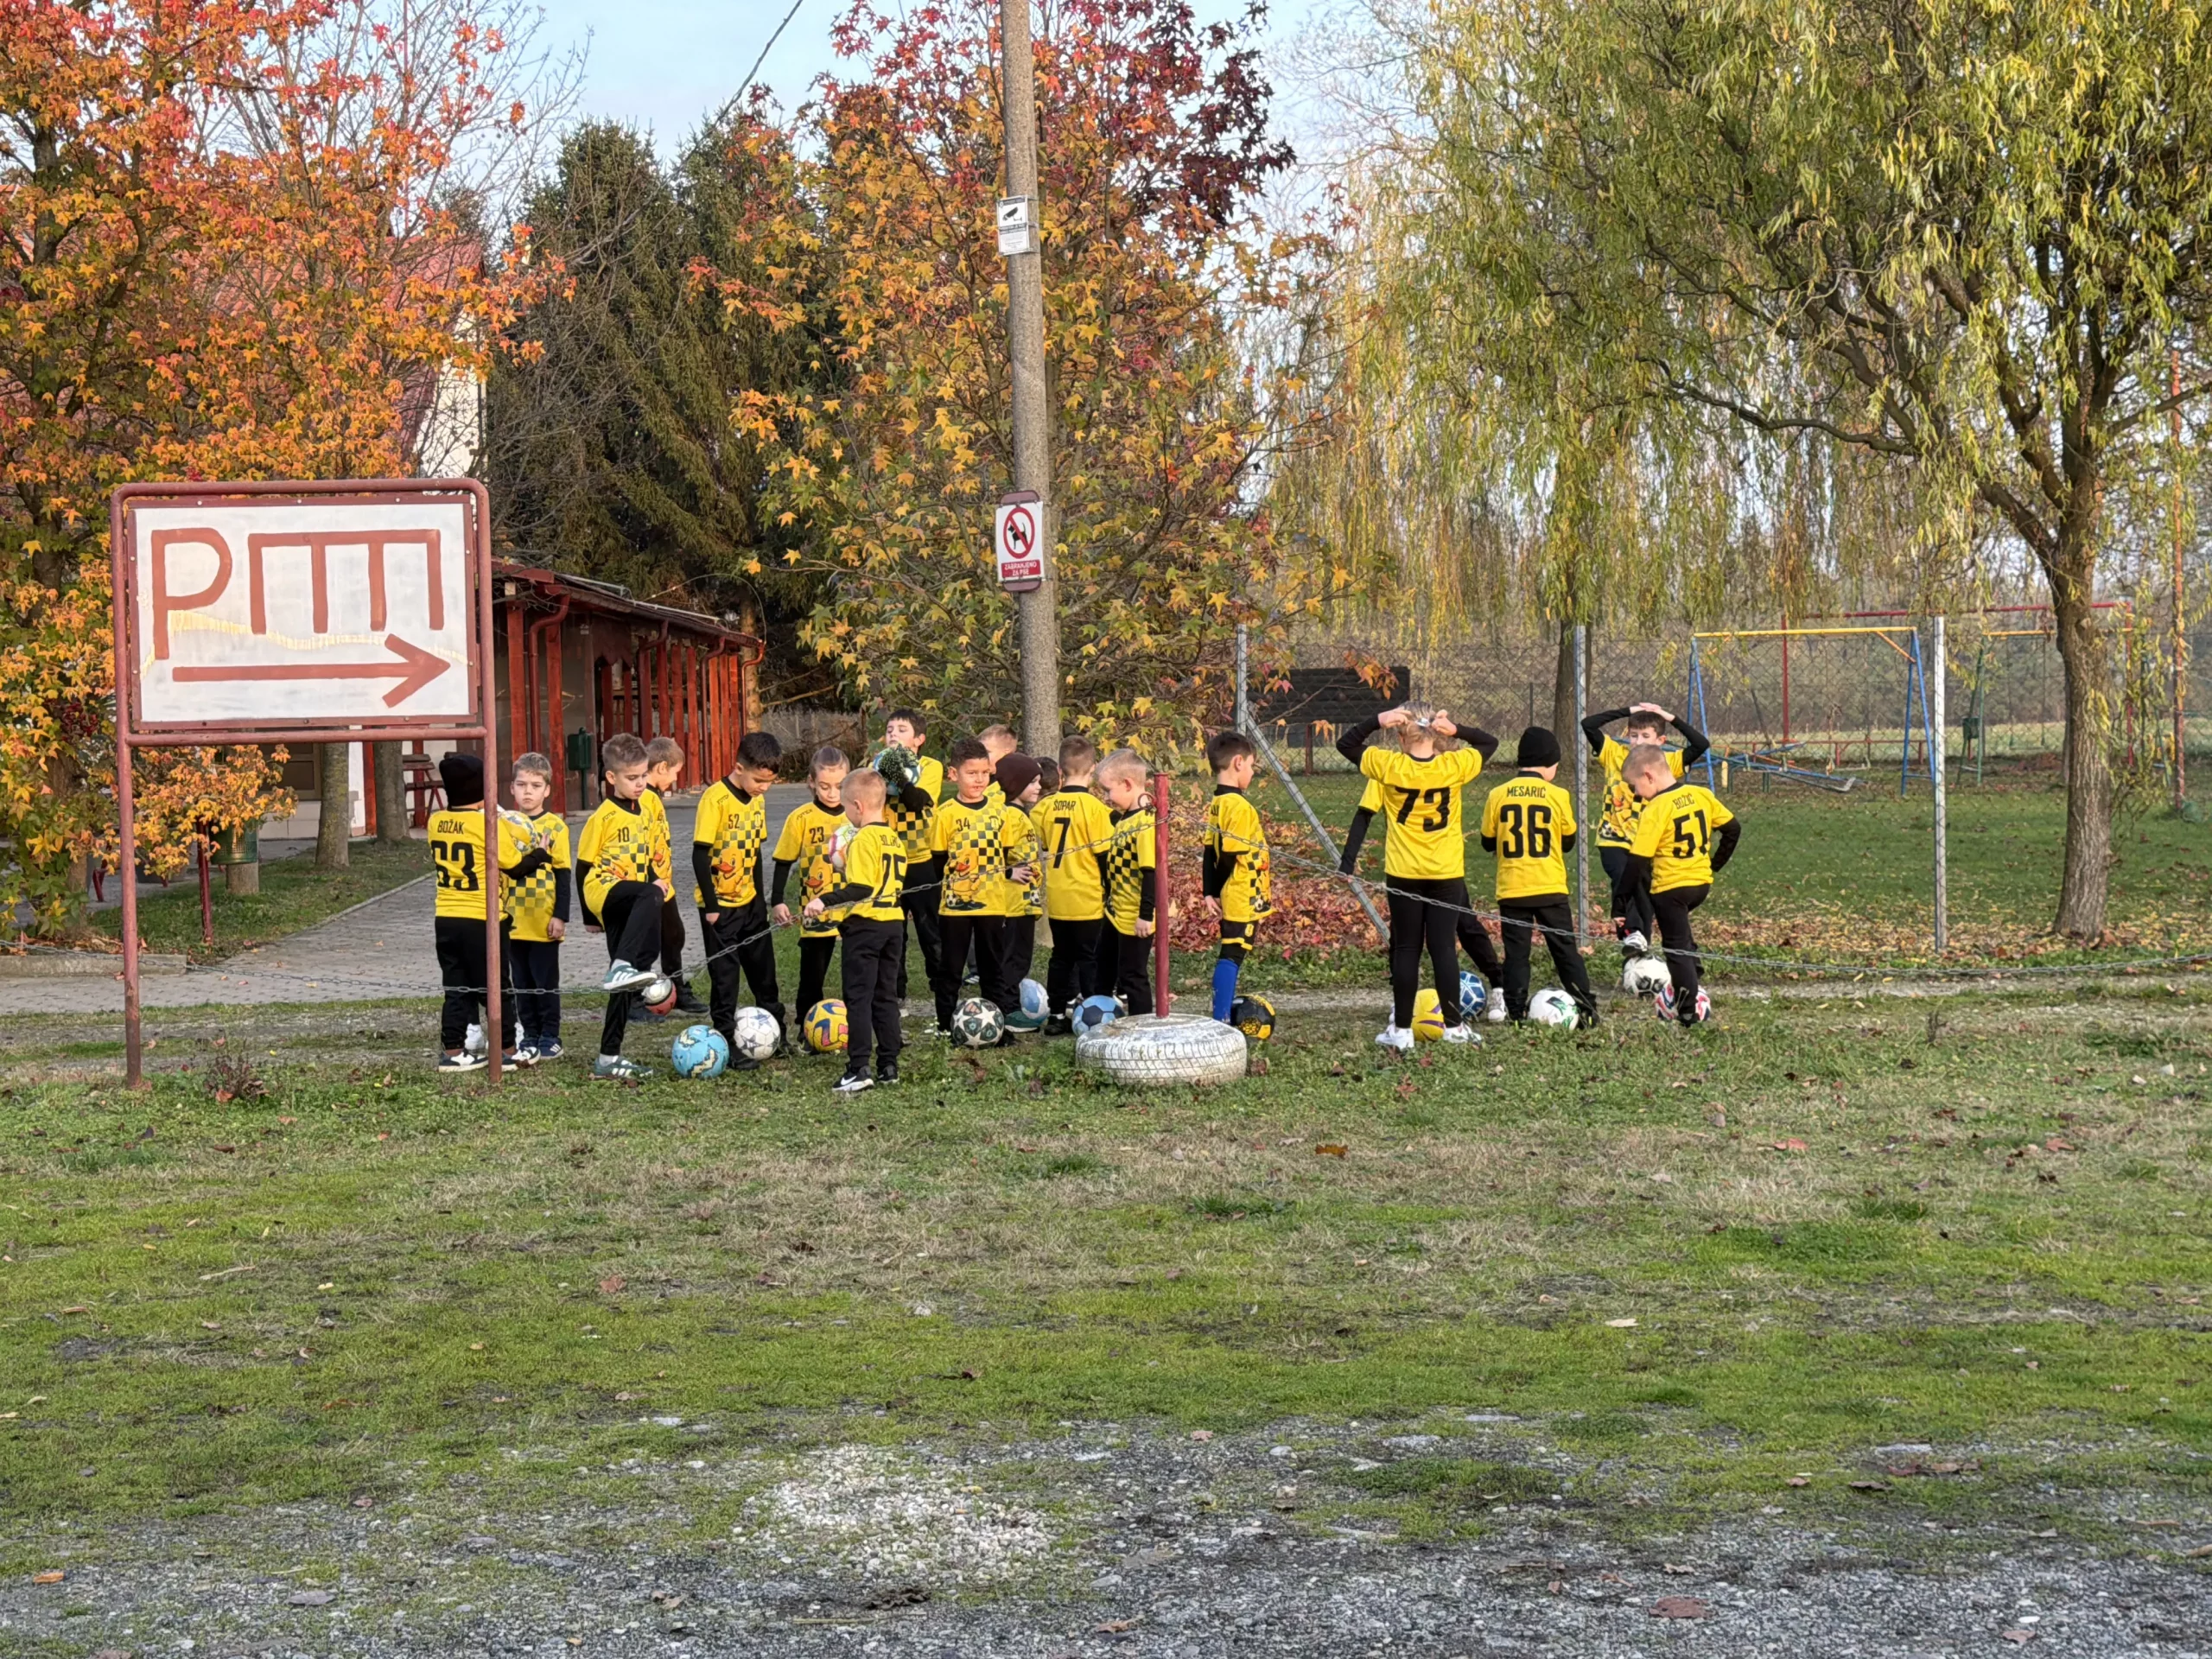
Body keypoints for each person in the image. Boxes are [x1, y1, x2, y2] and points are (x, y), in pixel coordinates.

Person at [1337, 703, 1499, 1050]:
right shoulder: (1453, 765)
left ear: (1399, 735)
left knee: (1407, 949)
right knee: (1443, 948)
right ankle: (1454, 1028)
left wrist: (1376, 719)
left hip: (1404, 872)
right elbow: (1489, 743)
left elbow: (1346, 744)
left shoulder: (1389, 765)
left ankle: (1402, 1031)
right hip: (1446, 872)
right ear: (1436, 736)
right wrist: (1456, 731)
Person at [1340, 777, 1508, 1022]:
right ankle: (1402, 1004)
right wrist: (1348, 860)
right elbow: (1365, 813)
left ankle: (1498, 986)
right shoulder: (1389, 769)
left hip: (1443, 871)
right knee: (1403, 940)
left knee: (1465, 927)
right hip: (1408, 870)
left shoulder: (1447, 766)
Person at [429, 752, 544, 1071]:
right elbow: (516, 866)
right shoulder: (487, 824)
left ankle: (453, 1052)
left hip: (446, 917)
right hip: (483, 917)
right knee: (497, 987)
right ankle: (508, 1049)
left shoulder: (435, 821)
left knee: (456, 987)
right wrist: (540, 853)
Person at [1480, 728, 1599, 1027]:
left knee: (1516, 954)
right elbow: (1569, 840)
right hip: (1549, 885)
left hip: (1512, 887)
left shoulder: (1497, 794)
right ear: (1549, 762)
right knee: (1564, 950)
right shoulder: (1558, 795)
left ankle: (1516, 1012)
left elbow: (1487, 840)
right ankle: (1586, 1008)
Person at [575, 733, 673, 1079]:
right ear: (611, 778)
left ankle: (608, 1058)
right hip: (604, 890)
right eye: (632, 778)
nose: (640, 783)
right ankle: (620, 966)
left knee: (626, 980)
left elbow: (650, 851)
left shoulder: (649, 804)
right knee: (650, 893)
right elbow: (583, 867)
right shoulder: (602, 817)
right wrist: (589, 917)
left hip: (632, 897)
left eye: (644, 775)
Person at [1619, 744, 1740, 1025]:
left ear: (1648, 776)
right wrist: (1714, 864)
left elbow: (1637, 862)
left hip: (1671, 889)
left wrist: (1620, 900)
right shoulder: (1702, 794)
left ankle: (1687, 1013)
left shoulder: (1656, 808)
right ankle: (1693, 968)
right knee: (1681, 935)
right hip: (1699, 885)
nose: (1636, 792)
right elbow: (1733, 829)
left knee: (1675, 950)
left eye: (1634, 785)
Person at [804, 768, 908, 1092]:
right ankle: (889, 1065)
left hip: (866, 927)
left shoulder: (863, 839)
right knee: (885, 996)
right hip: (894, 925)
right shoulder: (893, 839)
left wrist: (824, 900)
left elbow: (861, 887)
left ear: (859, 807)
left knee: (859, 998)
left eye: (848, 808)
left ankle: (858, 1068)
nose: (847, 815)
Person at [1580, 701, 1710, 954]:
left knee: (1649, 892)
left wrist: (1669, 717)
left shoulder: (1667, 763)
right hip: (1614, 838)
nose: (1638, 742)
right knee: (1625, 880)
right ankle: (1634, 933)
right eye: (1633, 736)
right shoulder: (1613, 754)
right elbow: (1589, 725)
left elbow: (1701, 744)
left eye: (1646, 736)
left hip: (1648, 841)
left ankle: (1654, 946)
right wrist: (1630, 711)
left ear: (1660, 740)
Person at [693, 730, 787, 1069]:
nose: (764, 788)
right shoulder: (715, 799)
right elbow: (699, 856)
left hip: (750, 905)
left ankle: (780, 1034)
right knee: (725, 979)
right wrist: (713, 907)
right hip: (720, 909)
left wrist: (760, 900)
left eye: (770, 782)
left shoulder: (757, 799)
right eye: (760, 780)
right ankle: (725, 1041)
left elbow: (757, 852)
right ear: (739, 767)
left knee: (765, 974)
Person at [927, 737, 1033, 1034]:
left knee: (992, 968)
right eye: (971, 773)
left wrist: (1005, 873)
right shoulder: (945, 814)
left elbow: (1006, 856)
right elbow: (938, 862)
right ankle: (946, 1026)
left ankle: (996, 1026)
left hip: (992, 904)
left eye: (984, 773)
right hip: (954, 907)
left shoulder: (1001, 813)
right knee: (951, 967)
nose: (979, 779)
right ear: (954, 774)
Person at [1032, 735, 1114, 1031]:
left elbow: (1039, 841)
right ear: (1092, 769)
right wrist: (1111, 890)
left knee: (1061, 957)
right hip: (1087, 896)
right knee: (1089, 958)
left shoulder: (1045, 807)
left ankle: (1055, 1016)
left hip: (1057, 895)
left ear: (1062, 771)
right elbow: (1104, 856)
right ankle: (1092, 1015)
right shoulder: (1095, 809)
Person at [772, 747, 850, 1024]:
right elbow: (783, 861)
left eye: (840, 786)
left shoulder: (856, 816)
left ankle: (854, 1022)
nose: (832, 793)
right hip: (815, 909)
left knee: (857, 971)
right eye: (824, 786)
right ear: (811, 782)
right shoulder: (801, 818)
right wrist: (778, 900)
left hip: (853, 907)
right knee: (812, 975)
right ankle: (807, 1024)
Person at [505, 753, 571, 1063]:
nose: (527, 791)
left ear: (547, 790)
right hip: (512, 920)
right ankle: (528, 1034)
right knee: (521, 983)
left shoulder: (555, 827)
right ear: (511, 789)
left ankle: (550, 1036)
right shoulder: (505, 825)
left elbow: (563, 874)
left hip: (543, 920)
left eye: (535, 785)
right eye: (521, 784)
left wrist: (560, 915)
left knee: (545, 982)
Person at [1201, 730, 1271, 1022]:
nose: (1253, 773)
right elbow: (1228, 856)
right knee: (1232, 953)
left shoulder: (1218, 802)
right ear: (1238, 763)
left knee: (1232, 952)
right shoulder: (1240, 807)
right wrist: (1215, 889)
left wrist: (1209, 891)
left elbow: (1208, 852)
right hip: (1243, 893)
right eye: (1253, 766)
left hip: (1234, 891)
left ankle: (1222, 1014)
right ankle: (1221, 1020)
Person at [877, 709, 944, 1003]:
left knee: (931, 931)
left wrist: (898, 776)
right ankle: (896, 994)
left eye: (902, 729)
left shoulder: (931, 766)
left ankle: (942, 988)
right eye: (890, 728)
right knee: (894, 933)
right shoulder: (877, 764)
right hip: (889, 863)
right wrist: (886, 768)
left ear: (919, 739)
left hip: (921, 861)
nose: (893, 733)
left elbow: (916, 802)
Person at [642, 735, 707, 1014]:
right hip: (649, 882)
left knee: (674, 934)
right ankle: (637, 996)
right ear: (662, 767)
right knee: (648, 940)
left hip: (664, 882)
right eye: (676, 773)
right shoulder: (645, 797)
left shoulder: (653, 796)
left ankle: (676, 988)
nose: (676, 780)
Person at [1097, 747, 1159, 1015]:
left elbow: (1151, 873)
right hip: (1114, 912)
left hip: (1135, 918)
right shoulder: (1123, 819)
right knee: (1103, 966)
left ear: (1128, 784)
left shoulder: (1145, 823)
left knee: (1132, 975)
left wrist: (1146, 915)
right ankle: (1098, 1016)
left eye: (1108, 790)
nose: (1106, 797)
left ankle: (1142, 1025)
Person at [995, 753, 1046, 995]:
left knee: (1021, 957)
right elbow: (992, 855)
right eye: (1033, 781)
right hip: (1011, 904)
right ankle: (1007, 1007)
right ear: (1016, 783)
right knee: (1012, 958)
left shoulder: (1020, 813)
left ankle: (1010, 1002)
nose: (1039, 787)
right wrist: (1008, 872)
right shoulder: (1007, 815)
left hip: (1025, 901)